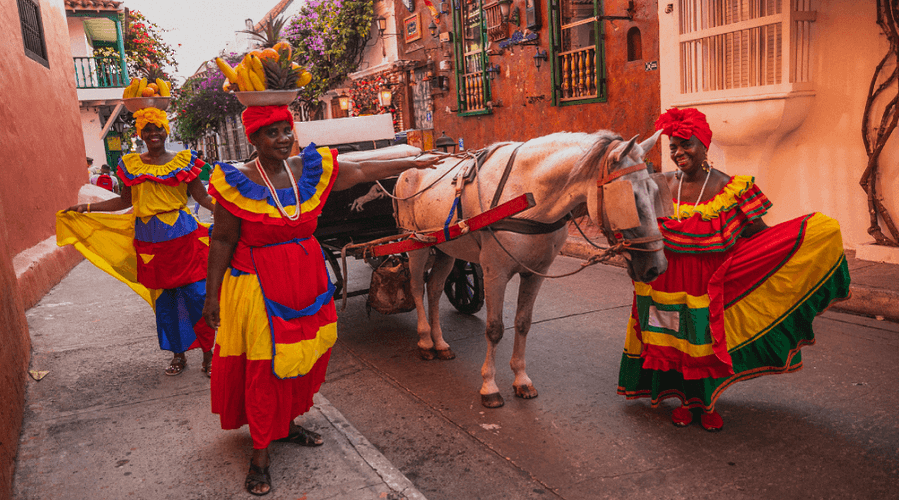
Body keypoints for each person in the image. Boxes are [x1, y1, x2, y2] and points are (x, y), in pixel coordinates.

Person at [201, 104, 439, 496]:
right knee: (266, 369)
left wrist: (418, 161)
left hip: (306, 280)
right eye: (271, 132)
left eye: (285, 130)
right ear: (254, 138)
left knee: (303, 358)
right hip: (258, 287)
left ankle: (287, 423)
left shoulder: (305, 171)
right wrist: (212, 295)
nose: (281, 138)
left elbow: (361, 171)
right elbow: (223, 239)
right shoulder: (236, 180)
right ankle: (260, 454)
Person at [616, 107, 851, 432]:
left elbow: (761, 235)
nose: (679, 152)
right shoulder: (661, 185)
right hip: (665, 286)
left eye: (687, 144)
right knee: (671, 341)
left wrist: (787, 250)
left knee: (704, 345)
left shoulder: (730, 189)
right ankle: (685, 401)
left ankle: (707, 403)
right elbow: (641, 226)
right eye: (673, 146)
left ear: (705, 146)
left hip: (708, 290)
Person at [61, 106, 217, 377]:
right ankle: (178, 355)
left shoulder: (184, 161)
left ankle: (209, 354)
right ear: (140, 134)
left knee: (197, 297)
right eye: (147, 129)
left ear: (166, 131)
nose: (153, 133)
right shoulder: (130, 164)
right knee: (166, 303)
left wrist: (232, 210)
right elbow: (124, 202)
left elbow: (202, 198)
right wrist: (86, 208)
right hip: (148, 242)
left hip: (183, 239)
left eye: (158, 128)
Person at [193, 150, 212, 215]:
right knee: (210, 196)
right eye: (203, 155)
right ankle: (212, 212)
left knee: (199, 198)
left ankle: (195, 212)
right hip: (206, 182)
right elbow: (211, 171)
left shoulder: (195, 164)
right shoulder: (206, 164)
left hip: (198, 182)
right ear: (201, 156)